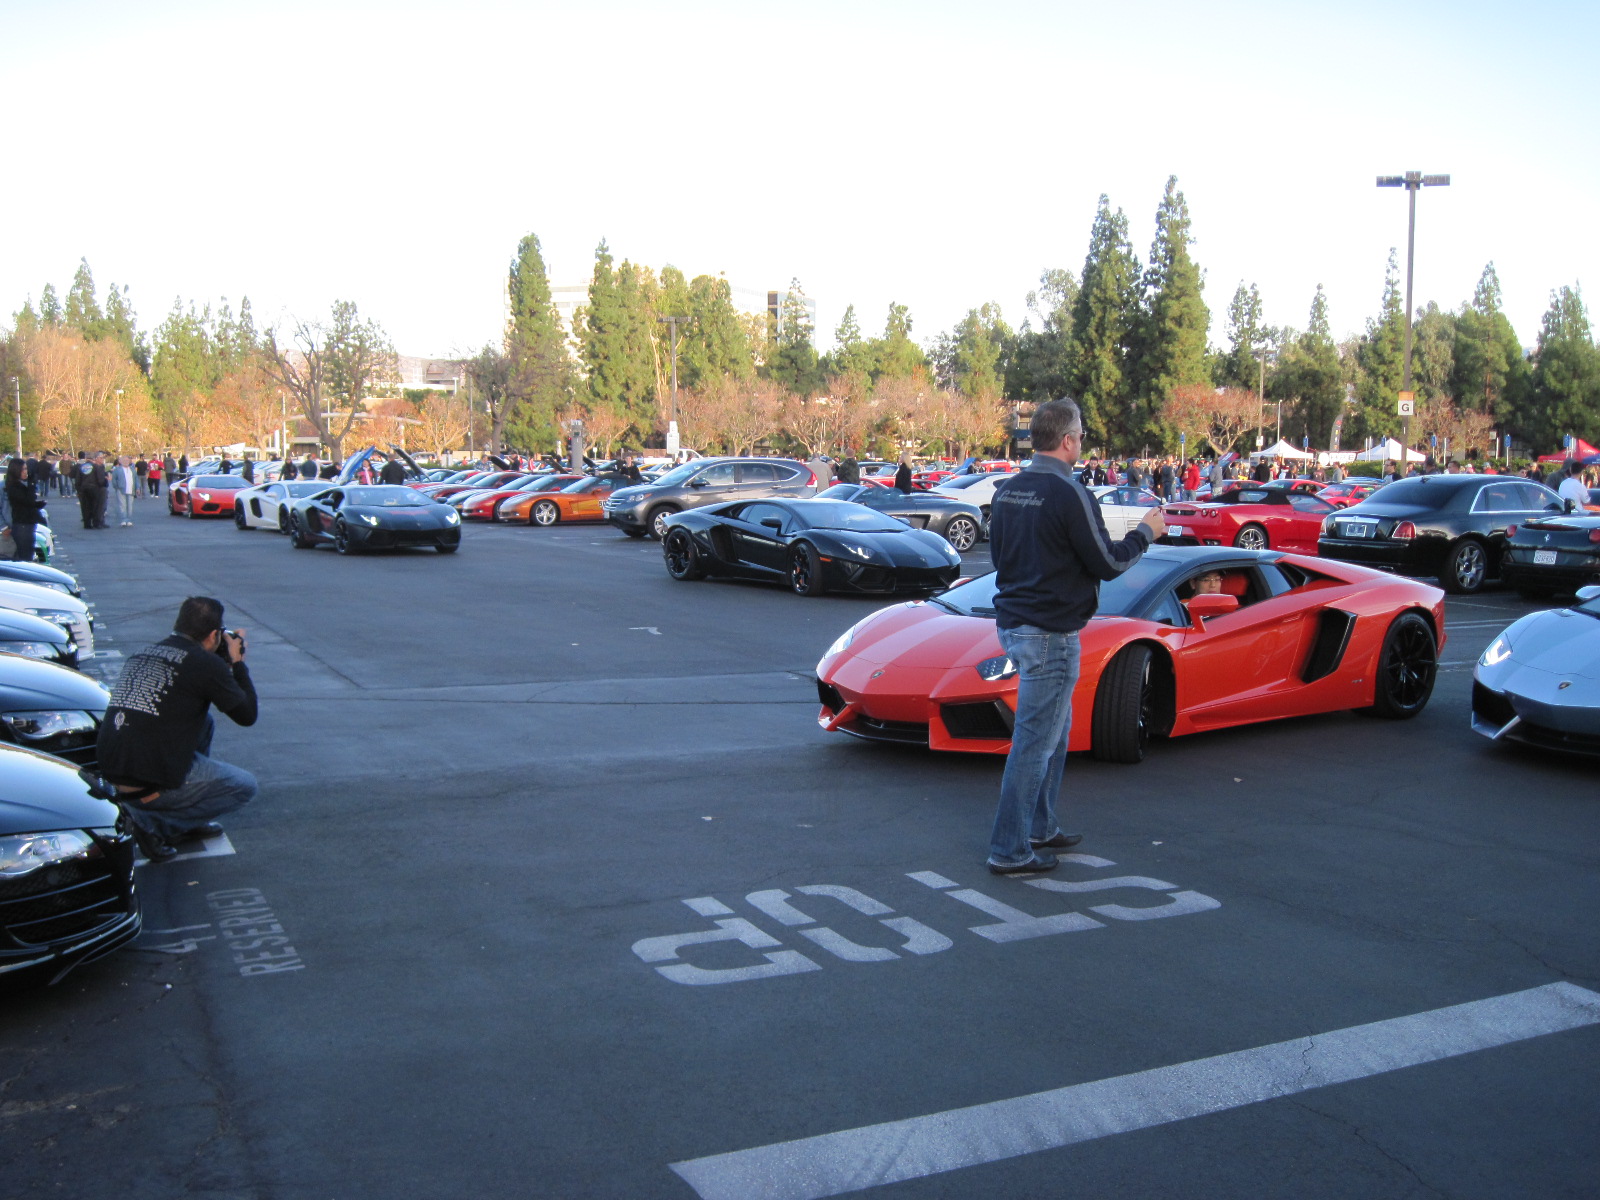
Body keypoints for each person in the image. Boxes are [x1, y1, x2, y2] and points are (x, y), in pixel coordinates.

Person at [985, 397, 1163, 875]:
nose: (1082, 443)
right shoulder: (1070, 493)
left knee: (1053, 733)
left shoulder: (1008, 491)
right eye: (1081, 435)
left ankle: (1039, 826)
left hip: (1015, 624)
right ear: (1067, 441)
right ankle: (1009, 847)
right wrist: (1147, 533)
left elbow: (1001, 562)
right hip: (1051, 633)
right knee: (1036, 741)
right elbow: (1108, 563)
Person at [97, 596, 259, 862]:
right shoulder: (206, 665)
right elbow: (247, 715)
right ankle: (151, 825)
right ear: (214, 635)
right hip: (147, 784)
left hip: (113, 769)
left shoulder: (142, 653)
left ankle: (186, 819)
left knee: (203, 722)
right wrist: (238, 664)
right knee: (243, 786)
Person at [4, 458, 43, 562]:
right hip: (22, 524)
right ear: (16, 471)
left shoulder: (21, 485)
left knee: (28, 553)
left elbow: (29, 502)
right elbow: (27, 500)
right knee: (24, 556)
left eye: (26, 469)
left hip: (27, 523)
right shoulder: (15, 487)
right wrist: (31, 484)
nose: (26, 472)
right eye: (23, 470)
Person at [111, 454, 138, 526]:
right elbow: (114, 480)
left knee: (130, 506)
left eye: (127, 460)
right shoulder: (117, 470)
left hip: (131, 490)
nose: (126, 462)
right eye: (124, 460)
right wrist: (117, 487)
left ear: (129, 461)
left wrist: (137, 488)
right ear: (121, 461)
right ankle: (123, 519)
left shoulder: (132, 470)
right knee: (122, 505)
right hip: (121, 490)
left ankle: (129, 520)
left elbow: (136, 479)